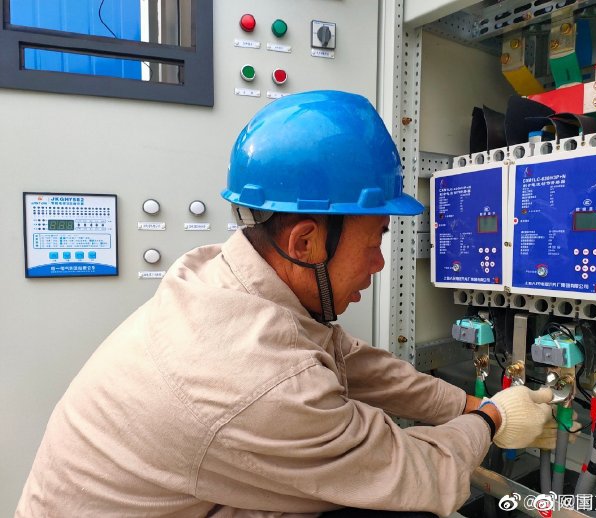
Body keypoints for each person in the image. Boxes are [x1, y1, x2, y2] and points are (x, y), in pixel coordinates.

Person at [16, 90, 553, 518]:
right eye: (375, 240)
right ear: (305, 241)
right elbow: (417, 474)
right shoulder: (258, 379)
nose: (379, 263)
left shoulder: (223, 277)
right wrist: (492, 418)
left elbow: (348, 358)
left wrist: (461, 405)